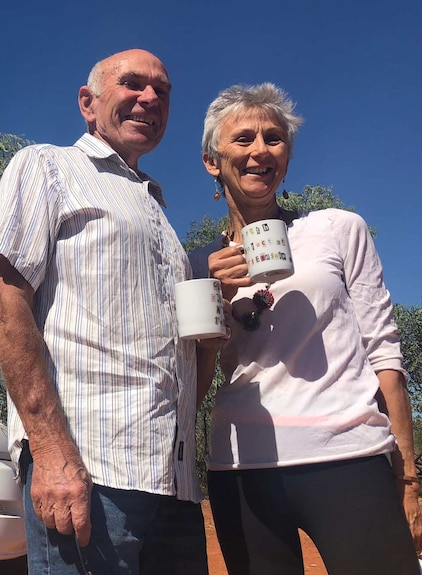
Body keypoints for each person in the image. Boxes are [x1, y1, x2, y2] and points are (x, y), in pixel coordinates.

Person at [0, 48, 208, 574]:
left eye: (163, 90)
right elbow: (4, 302)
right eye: (132, 83)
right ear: (89, 103)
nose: (150, 97)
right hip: (90, 468)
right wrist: (52, 452)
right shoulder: (48, 166)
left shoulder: (158, 211)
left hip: (174, 485)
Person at [190, 82, 422, 574]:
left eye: (274, 139)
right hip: (240, 467)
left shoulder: (338, 228)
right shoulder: (198, 266)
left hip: (349, 455)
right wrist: (217, 301)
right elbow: (196, 384)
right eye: (243, 138)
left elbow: (383, 352)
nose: (260, 151)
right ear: (213, 161)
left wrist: (409, 477)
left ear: (287, 157)